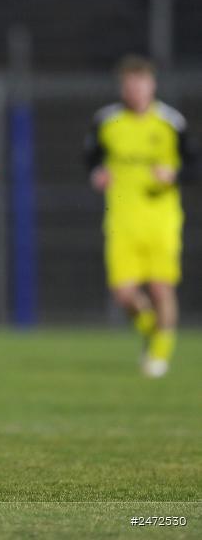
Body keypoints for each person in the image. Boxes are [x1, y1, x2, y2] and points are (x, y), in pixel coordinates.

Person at [86, 55, 196, 378]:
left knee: (161, 288)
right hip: (121, 218)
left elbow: (193, 165)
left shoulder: (170, 122)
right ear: (123, 87)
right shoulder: (106, 121)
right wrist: (97, 173)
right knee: (124, 293)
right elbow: (91, 158)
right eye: (130, 84)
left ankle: (160, 353)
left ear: (152, 85)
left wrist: (174, 174)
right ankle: (153, 329)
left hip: (162, 218)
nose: (136, 90)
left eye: (141, 83)